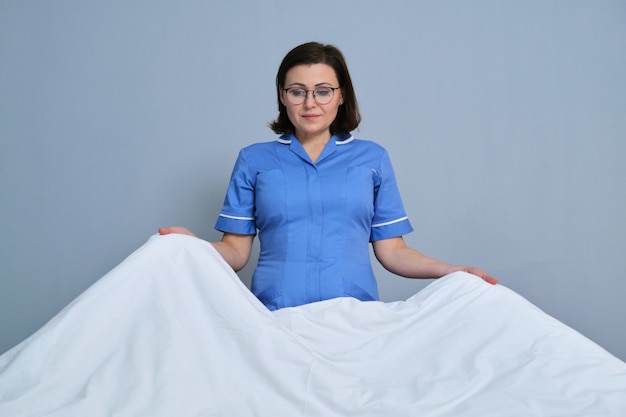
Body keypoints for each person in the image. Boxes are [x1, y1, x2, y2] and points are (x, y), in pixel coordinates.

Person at [159, 41, 497, 310]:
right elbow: (235, 251)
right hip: (274, 318)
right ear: (282, 96)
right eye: (297, 91)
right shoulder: (254, 160)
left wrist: (453, 271)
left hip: (354, 317)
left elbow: (393, 251)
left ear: (341, 95)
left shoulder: (372, 158)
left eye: (323, 90)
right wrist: (191, 248)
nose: (310, 103)